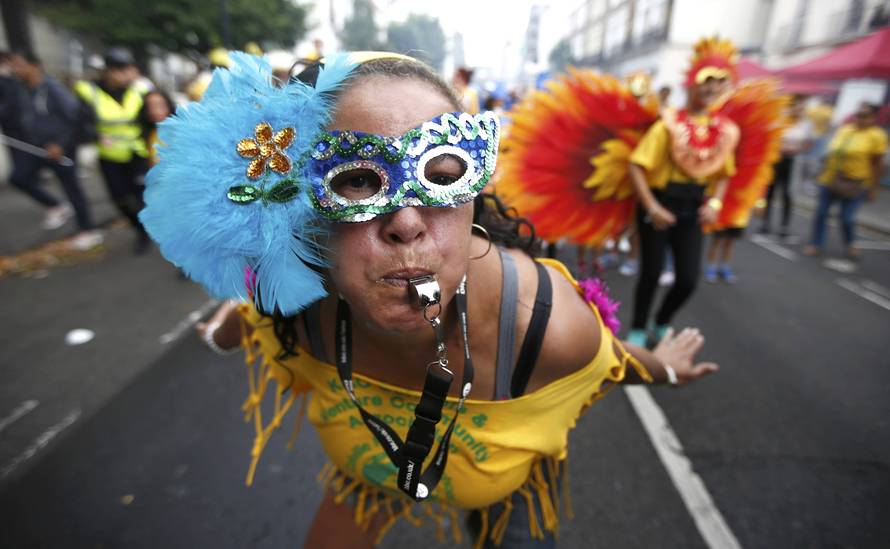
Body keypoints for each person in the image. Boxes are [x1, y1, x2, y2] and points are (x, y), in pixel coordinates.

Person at [141, 51, 719, 548]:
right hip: (374, 466)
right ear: (301, 209)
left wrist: (666, 370)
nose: (407, 222)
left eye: (443, 174)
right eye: (357, 180)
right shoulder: (294, 303)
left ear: (474, 197)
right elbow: (246, 317)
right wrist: (224, 330)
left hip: (502, 480)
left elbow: (614, 360)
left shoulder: (543, 324)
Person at [626, 40, 739, 347]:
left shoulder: (725, 130)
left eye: (719, 84)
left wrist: (714, 202)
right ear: (691, 86)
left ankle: (660, 321)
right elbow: (636, 166)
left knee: (688, 279)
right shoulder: (668, 125)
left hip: (692, 207)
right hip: (660, 203)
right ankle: (637, 329)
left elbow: (724, 174)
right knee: (650, 273)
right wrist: (651, 207)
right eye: (706, 83)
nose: (712, 90)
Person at [6, 51, 103, 250]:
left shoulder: (54, 89)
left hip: (60, 148)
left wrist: (60, 143)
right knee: (18, 177)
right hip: (35, 147)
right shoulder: (21, 89)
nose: (14, 69)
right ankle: (56, 205)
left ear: (34, 65)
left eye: (18, 64)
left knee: (71, 187)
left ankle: (88, 230)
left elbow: (74, 118)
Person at [75, 47, 150, 253]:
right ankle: (141, 231)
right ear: (107, 71)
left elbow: (152, 116)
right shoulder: (90, 92)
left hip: (137, 154)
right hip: (110, 157)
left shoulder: (140, 90)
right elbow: (81, 122)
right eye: (118, 70)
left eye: (126, 69)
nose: (123, 74)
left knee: (145, 196)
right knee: (121, 200)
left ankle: (158, 230)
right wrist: (94, 134)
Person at [804, 102, 887, 259]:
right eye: (858, 114)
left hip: (855, 184)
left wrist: (873, 189)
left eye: (864, 116)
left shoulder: (877, 136)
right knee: (821, 213)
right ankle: (816, 244)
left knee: (846, 218)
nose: (859, 118)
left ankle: (851, 243)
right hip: (830, 179)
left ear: (874, 118)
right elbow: (831, 151)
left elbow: (878, 164)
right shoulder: (845, 130)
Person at [760, 94, 812, 238]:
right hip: (777, 159)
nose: (799, 109)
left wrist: (798, 149)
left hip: (793, 161)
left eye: (802, 106)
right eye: (796, 105)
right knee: (770, 192)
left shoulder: (805, 124)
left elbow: (808, 144)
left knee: (788, 194)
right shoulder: (781, 121)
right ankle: (765, 222)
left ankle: (784, 225)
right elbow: (770, 139)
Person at [139, 89, 175, 168]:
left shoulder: (179, 132)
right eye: (149, 106)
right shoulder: (148, 133)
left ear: (169, 106)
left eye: (159, 105)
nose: (154, 111)